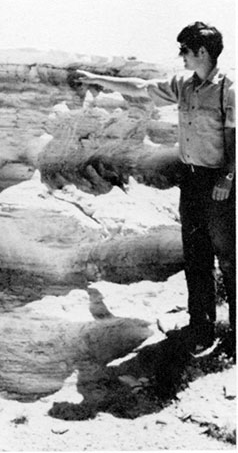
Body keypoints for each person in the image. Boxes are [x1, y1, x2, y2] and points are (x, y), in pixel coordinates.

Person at [77, 21, 235, 355]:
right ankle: (202, 328)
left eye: (185, 51)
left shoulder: (228, 89)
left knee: (230, 259)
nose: (181, 57)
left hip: (220, 184)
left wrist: (227, 178)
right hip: (191, 179)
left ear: (202, 52)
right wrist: (98, 80)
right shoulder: (184, 85)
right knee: (196, 257)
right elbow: (140, 86)